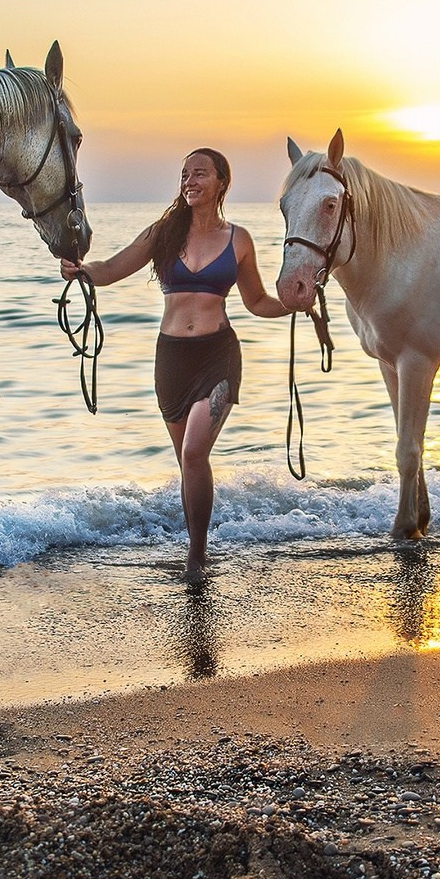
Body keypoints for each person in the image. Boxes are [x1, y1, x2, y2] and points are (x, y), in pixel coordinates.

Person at [61, 148, 291, 573]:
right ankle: (197, 548)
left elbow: (257, 301)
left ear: (221, 181)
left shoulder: (238, 239)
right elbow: (112, 269)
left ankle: (196, 555)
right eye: (185, 174)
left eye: (200, 173)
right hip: (171, 360)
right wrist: (81, 270)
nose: (190, 180)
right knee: (187, 462)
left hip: (218, 355)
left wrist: (295, 305)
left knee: (193, 453)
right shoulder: (163, 233)